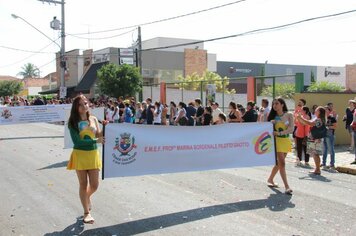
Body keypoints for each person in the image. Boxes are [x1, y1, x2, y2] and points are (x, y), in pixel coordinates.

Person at [66, 95, 106, 224]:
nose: (84, 105)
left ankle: (86, 196)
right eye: (81, 104)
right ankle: (86, 212)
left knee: (94, 185)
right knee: (83, 184)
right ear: (76, 108)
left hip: (93, 154)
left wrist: (105, 126)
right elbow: (77, 142)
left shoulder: (93, 119)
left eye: (86, 103)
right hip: (80, 154)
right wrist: (96, 140)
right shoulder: (72, 122)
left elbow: (99, 135)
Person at [267, 97, 294, 195]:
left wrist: (280, 133)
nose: (275, 105)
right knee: (282, 163)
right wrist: (271, 124)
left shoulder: (289, 115)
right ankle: (287, 186)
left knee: (279, 164)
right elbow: (267, 130)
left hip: (286, 140)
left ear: (282, 104)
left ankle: (270, 179)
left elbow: (291, 129)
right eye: (273, 104)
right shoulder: (272, 118)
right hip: (277, 142)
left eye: (277, 103)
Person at [297, 106, 326, 175]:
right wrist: (300, 118)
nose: (315, 111)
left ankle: (317, 169)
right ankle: (317, 168)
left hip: (315, 138)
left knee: (315, 154)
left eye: (316, 110)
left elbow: (310, 123)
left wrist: (301, 118)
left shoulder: (319, 119)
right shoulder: (319, 119)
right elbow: (308, 122)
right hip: (315, 138)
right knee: (315, 154)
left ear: (319, 112)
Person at [321, 105, 337, 171]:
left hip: (330, 135)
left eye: (326, 109)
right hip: (323, 135)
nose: (325, 111)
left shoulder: (332, 118)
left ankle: (332, 165)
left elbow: (335, 126)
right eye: (324, 110)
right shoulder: (322, 119)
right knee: (324, 150)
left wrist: (327, 127)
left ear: (329, 111)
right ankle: (324, 164)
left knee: (331, 150)